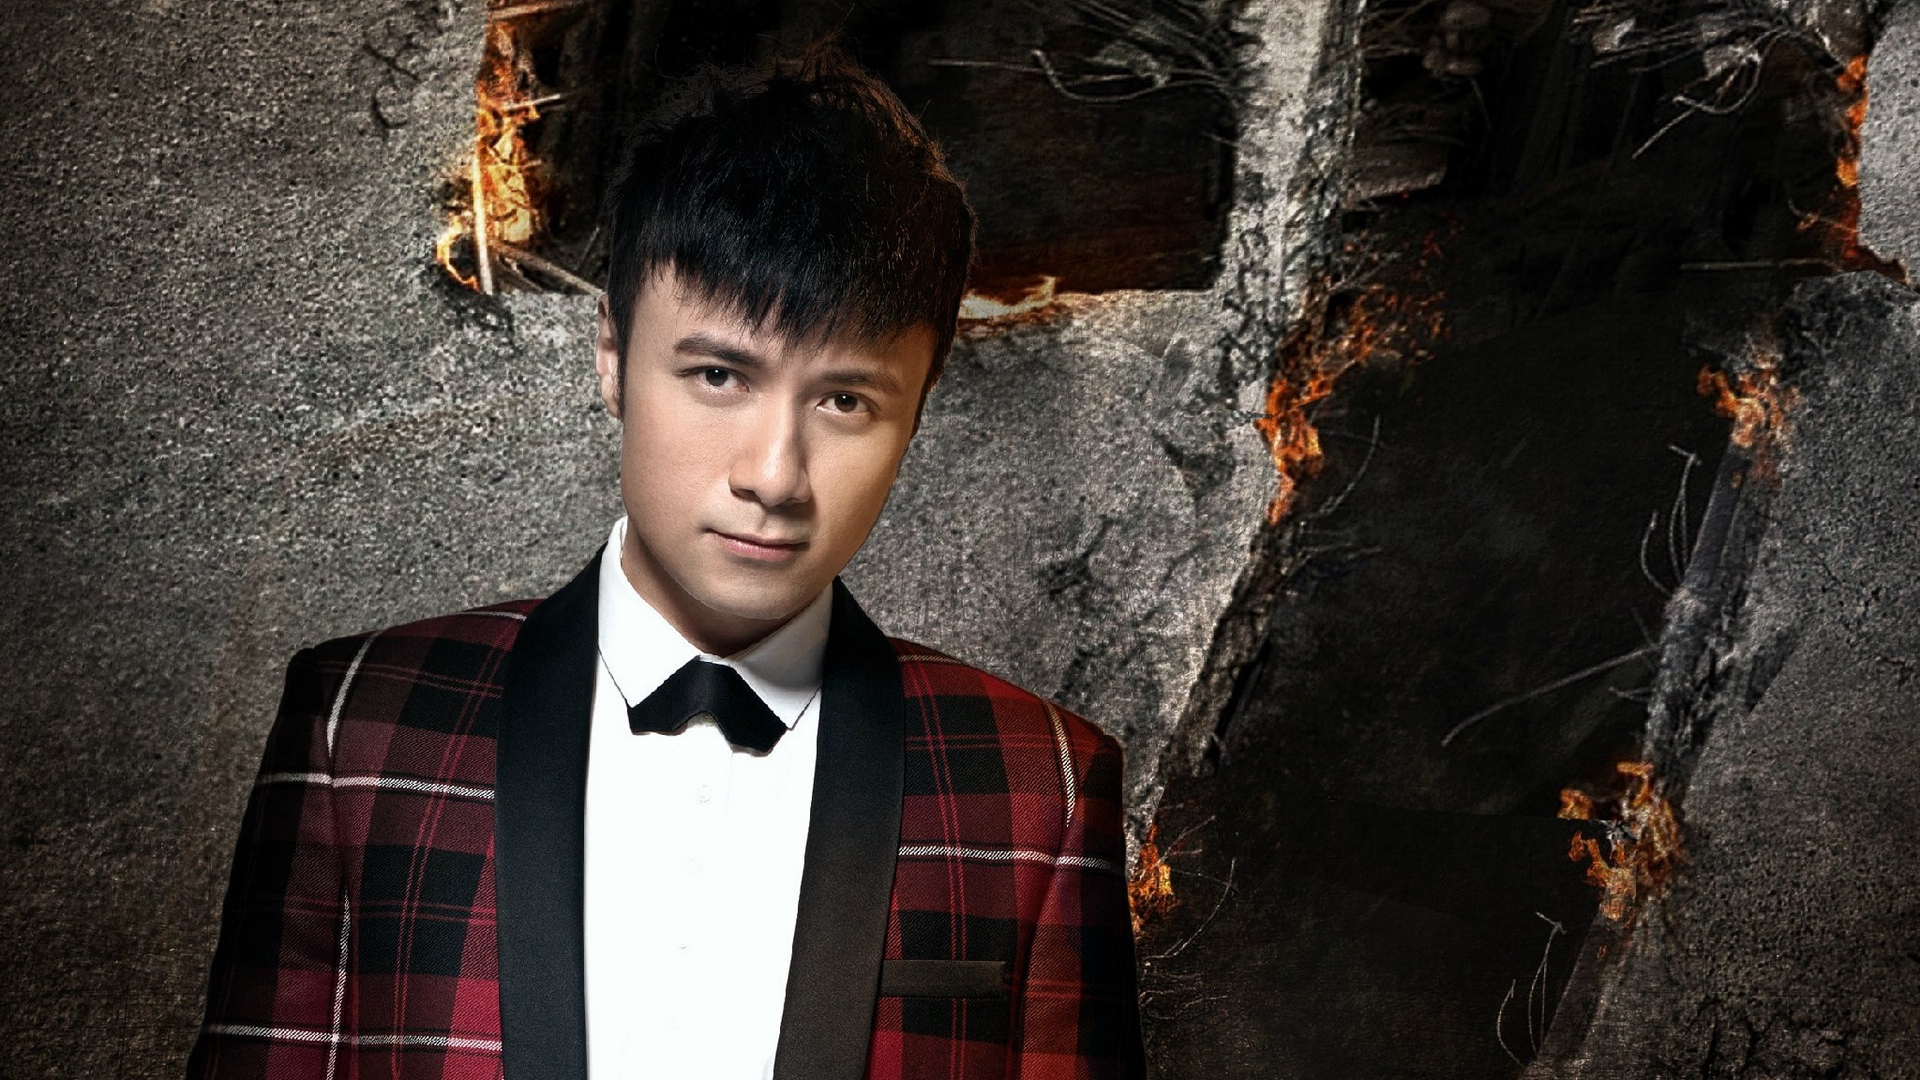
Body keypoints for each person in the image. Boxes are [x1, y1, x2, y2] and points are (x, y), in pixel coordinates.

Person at [186, 46, 1145, 1080]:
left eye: (845, 400)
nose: (774, 476)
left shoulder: (1042, 785)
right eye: (720, 375)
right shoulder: (360, 727)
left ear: (919, 405)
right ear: (612, 354)